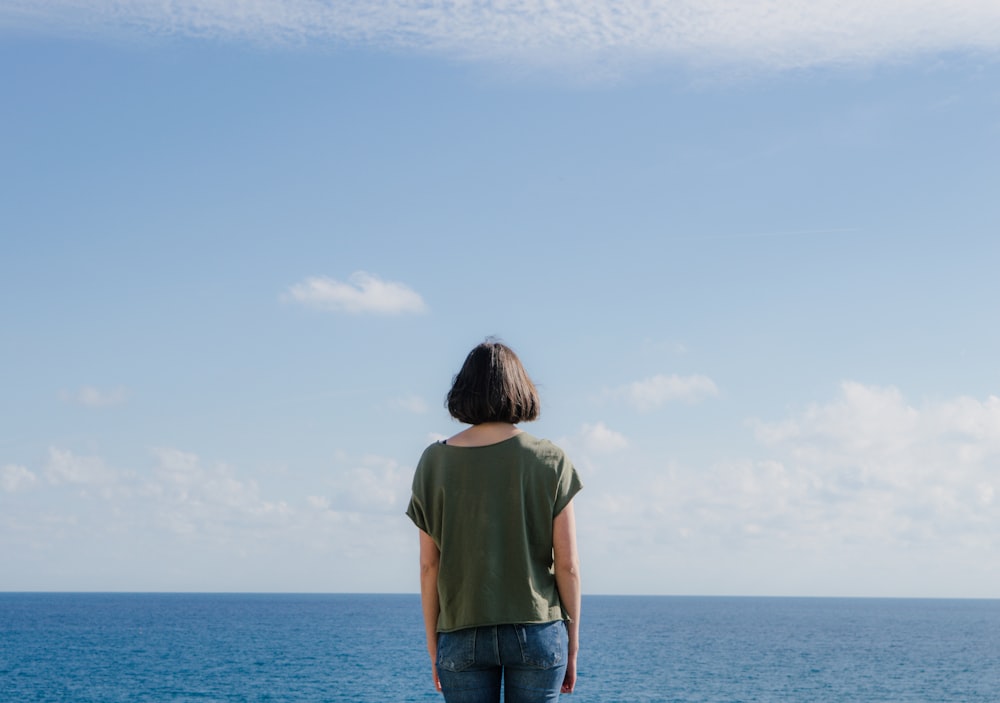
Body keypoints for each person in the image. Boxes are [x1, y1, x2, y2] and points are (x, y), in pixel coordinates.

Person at [406, 340, 583, 702]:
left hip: (460, 630)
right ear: (521, 388)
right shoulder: (550, 460)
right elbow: (568, 565)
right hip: (537, 628)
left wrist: (432, 643)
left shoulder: (433, 463)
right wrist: (573, 643)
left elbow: (429, 566)